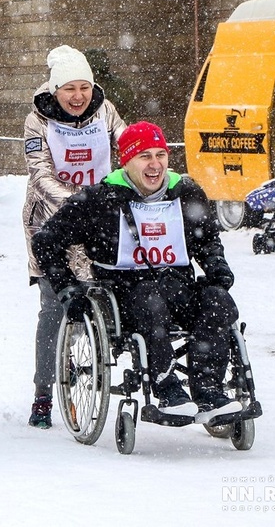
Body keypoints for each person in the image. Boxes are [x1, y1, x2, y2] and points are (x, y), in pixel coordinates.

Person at [32, 121, 245, 427]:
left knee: (218, 301)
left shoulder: (185, 192)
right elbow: (46, 241)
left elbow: (207, 239)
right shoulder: (100, 199)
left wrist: (216, 266)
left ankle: (209, 390)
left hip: (178, 287)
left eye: (161, 155)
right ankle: (166, 387)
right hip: (124, 296)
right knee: (150, 299)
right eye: (145, 156)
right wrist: (67, 288)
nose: (155, 164)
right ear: (127, 161)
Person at [22, 44, 126, 429]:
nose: (78, 96)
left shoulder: (105, 110)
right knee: (54, 305)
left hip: (100, 219)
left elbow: (128, 144)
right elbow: (39, 173)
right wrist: (78, 202)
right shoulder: (37, 120)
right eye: (69, 89)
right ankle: (44, 392)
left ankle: (97, 354)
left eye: (84, 87)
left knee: (106, 293)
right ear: (56, 90)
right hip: (50, 219)